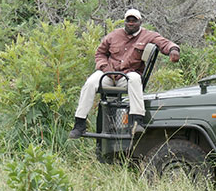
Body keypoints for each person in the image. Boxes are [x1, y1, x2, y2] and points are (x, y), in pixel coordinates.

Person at [69, 9, 180, 138]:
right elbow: (100, 53)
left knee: (135, 79)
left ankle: (137, 121)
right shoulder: (114, 35)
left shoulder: (147, 35)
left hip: (128, 74)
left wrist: (173, 50)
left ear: (140, 22)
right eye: (128, 20)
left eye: (134, 21)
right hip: (108, 72)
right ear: (125, 21)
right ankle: (80, 123)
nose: (131, 23)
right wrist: (105, 67)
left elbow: (164, 43)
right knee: (90, 82)